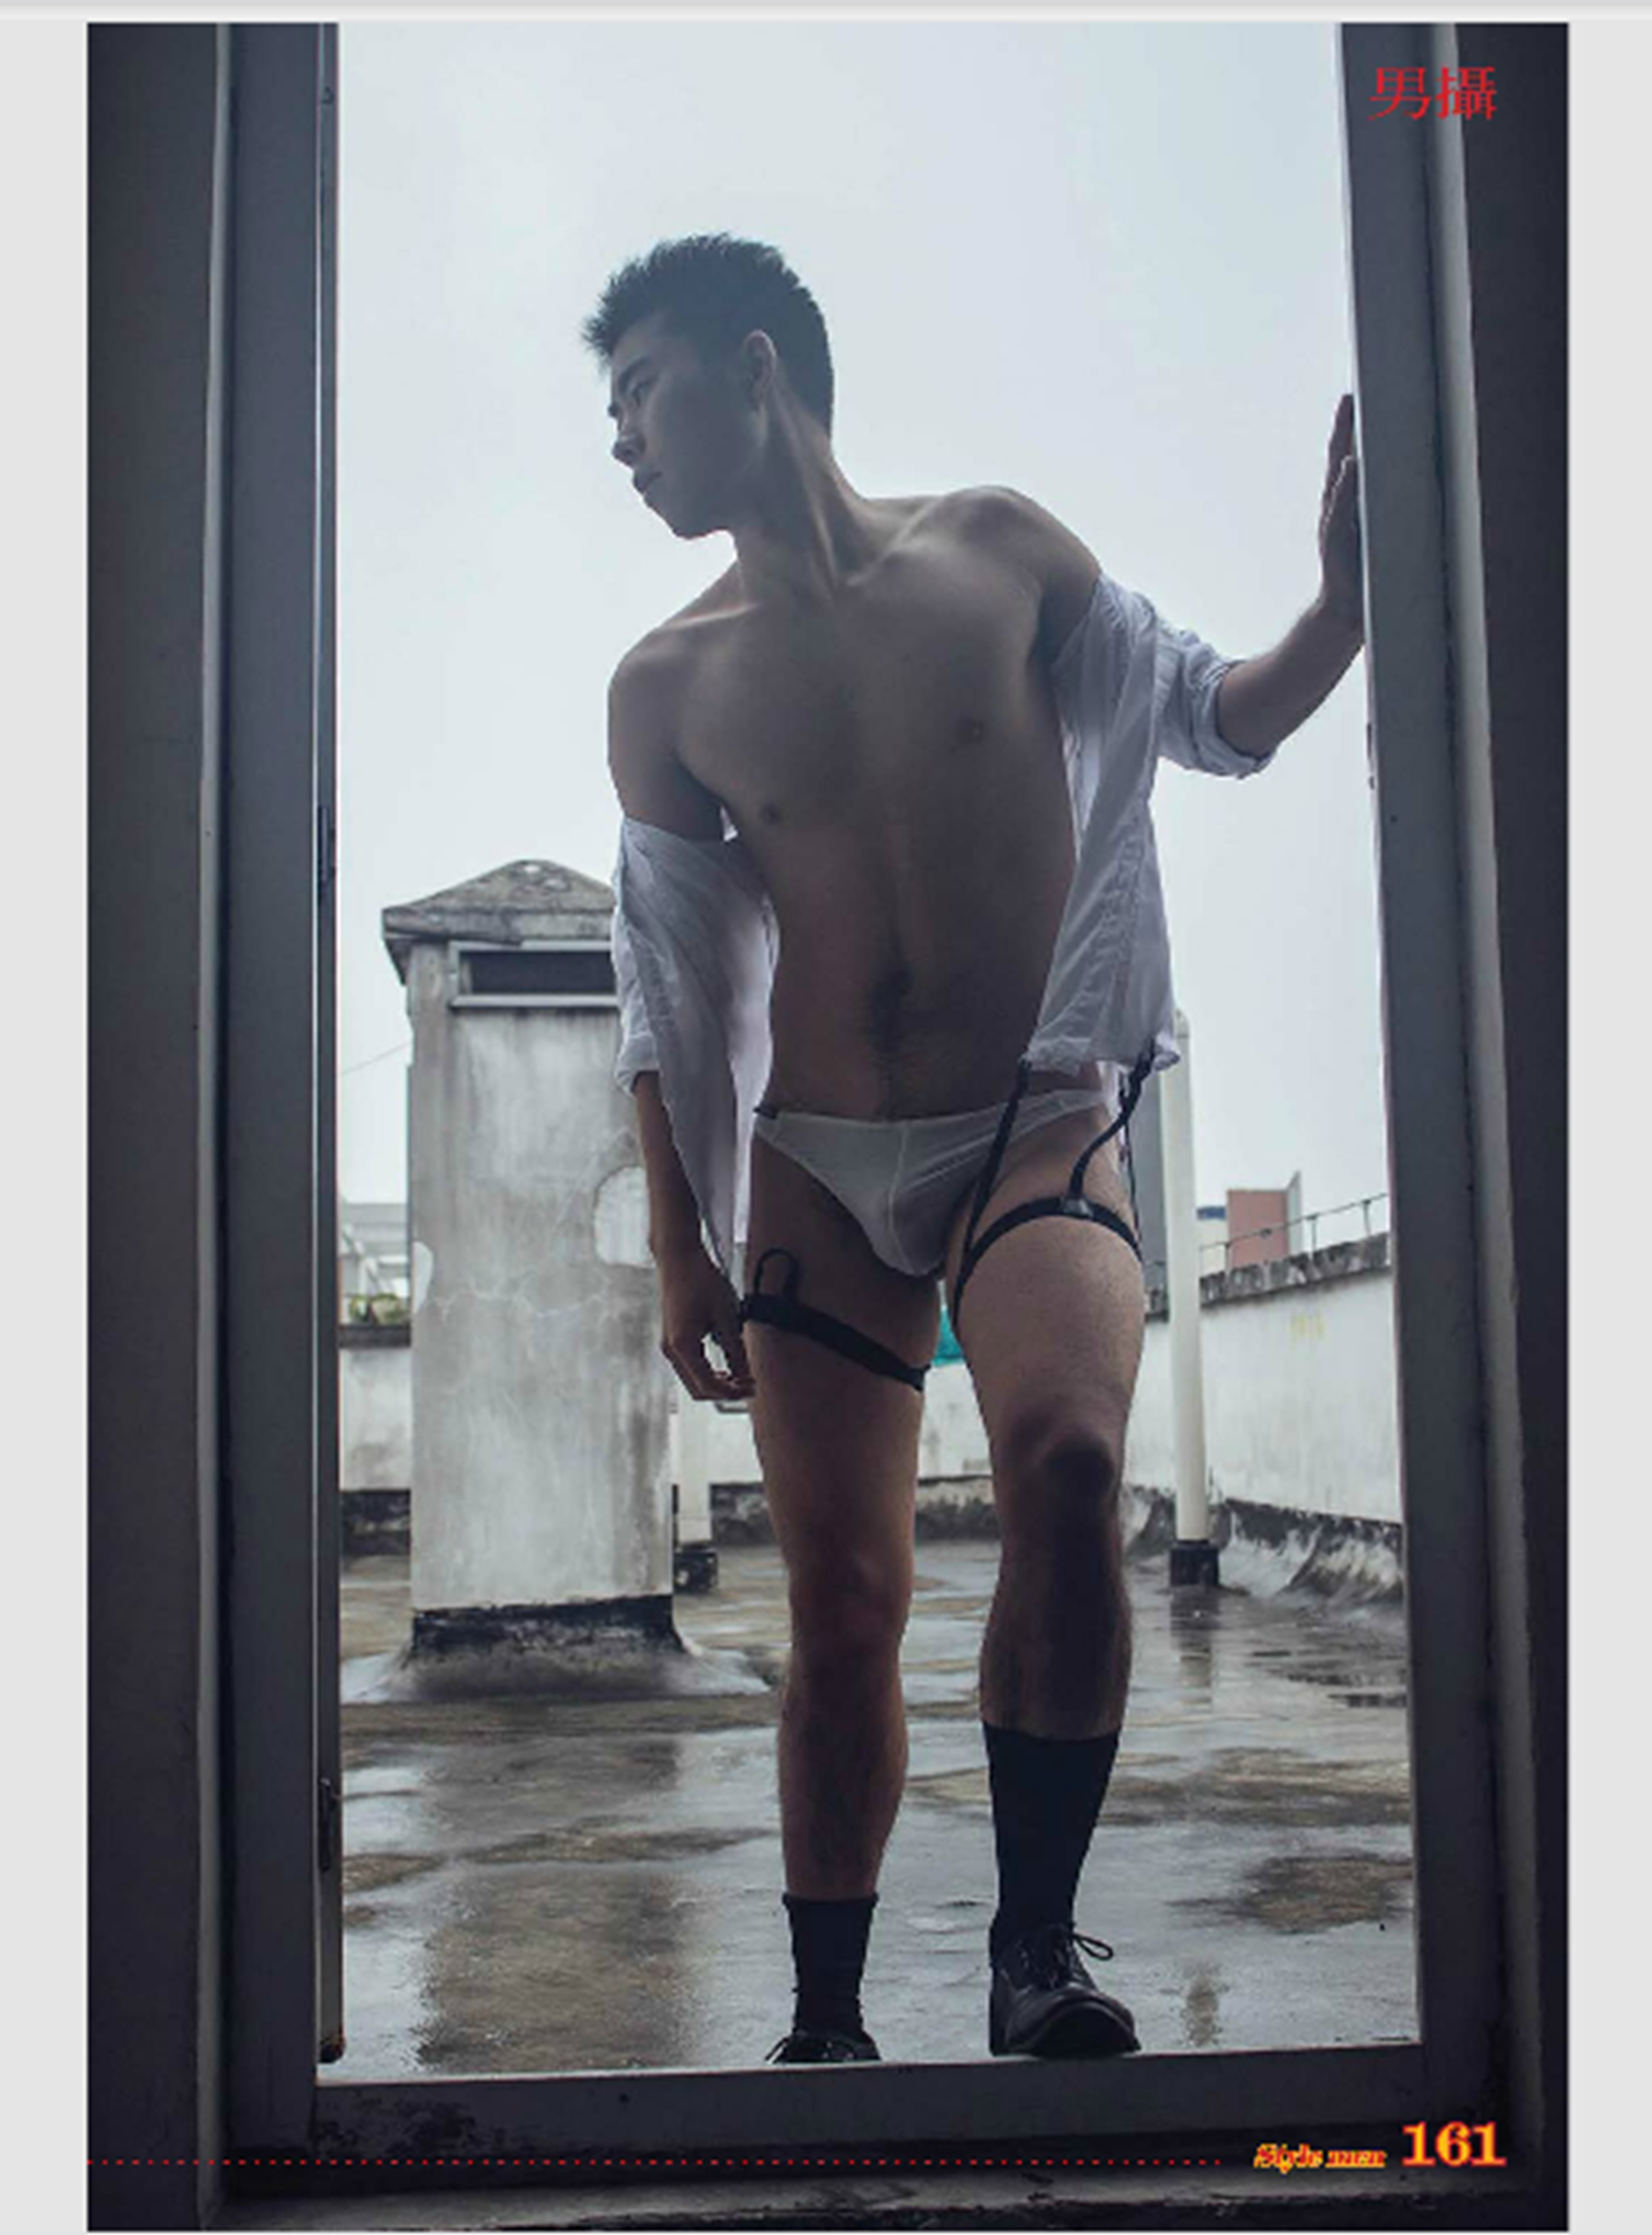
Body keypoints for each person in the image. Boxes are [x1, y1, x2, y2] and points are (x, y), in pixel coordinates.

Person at [585, 235, 1364, 2064]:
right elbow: (665, 980)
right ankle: (826, 2025)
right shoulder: (666, 684)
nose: (618, 441)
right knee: (844, 1599)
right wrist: (681, 1244)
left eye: (638, 393)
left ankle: (1034, 1954)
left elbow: (1207, 713)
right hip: (816, 1161)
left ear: (752, 368)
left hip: (1033, 1113)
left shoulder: (995, 551)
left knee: (1070, 1466)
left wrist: (1338, 610)